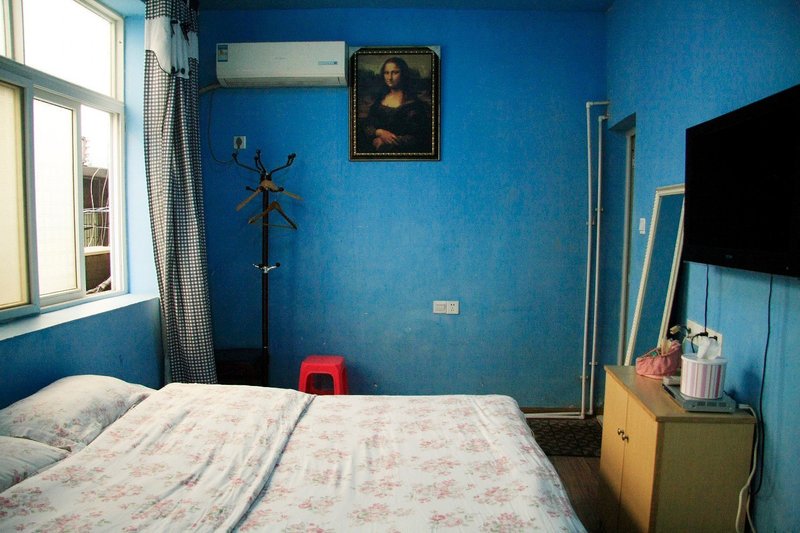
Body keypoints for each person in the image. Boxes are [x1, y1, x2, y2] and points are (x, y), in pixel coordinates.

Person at [360, 56, 432, 154]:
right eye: (386, 73)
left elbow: (419, 137)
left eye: (395, 72)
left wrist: (386, 142)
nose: (389, 77)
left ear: (403, 74)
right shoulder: (378, 99)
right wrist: (379, 132)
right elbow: (367, 124)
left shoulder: (414, 104)